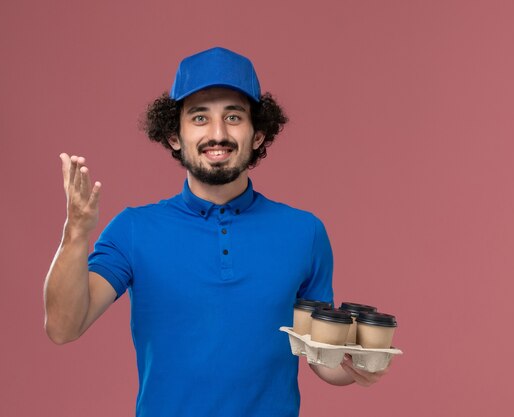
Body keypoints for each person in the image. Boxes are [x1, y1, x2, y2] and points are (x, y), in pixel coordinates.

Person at [44, 47, 388, 417]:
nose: (218, 133)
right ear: (174, 135)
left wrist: (355, 366)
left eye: (234, 116)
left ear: (258, 134)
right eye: (199, 118)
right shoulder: (133, 229)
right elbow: (64, 327)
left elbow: (319, 356)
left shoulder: (305, 233)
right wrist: (75, 234)